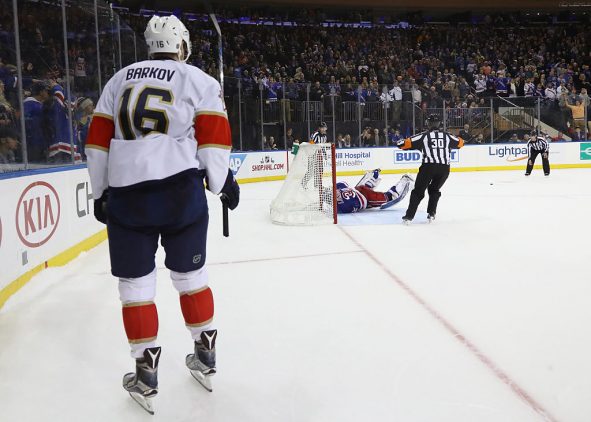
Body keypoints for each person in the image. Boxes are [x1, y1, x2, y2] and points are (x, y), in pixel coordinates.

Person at [85, 15, 239, 413]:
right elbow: (214, 140)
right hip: (180, 193)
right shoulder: (198, 79)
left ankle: (146, 373)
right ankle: (205, 355)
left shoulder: (118, 79)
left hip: (128, 196)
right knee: (191, 277)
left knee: (135, 287)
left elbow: (97, 143)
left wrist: (100, 192)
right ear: (182, 44)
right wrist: (222, 184)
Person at [398, 114, 465, 224]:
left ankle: (409, 217)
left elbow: (403, 144)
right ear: (439, 124)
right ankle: (431, 213)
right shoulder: (447, 136)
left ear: (428, 124)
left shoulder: (424, 136)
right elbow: (461, 143)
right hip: (444, 168)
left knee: (418, 192)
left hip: (428, 167)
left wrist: (399, 142)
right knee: (434, 190)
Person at [336, 169, 414, 214]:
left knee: (390, 197)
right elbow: (344, 183)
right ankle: (373, 178)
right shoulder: (337, 188)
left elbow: (355, 208)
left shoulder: (343, 207)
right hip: (359, 189)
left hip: (368, 198)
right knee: (365, 188)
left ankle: (405, 180)